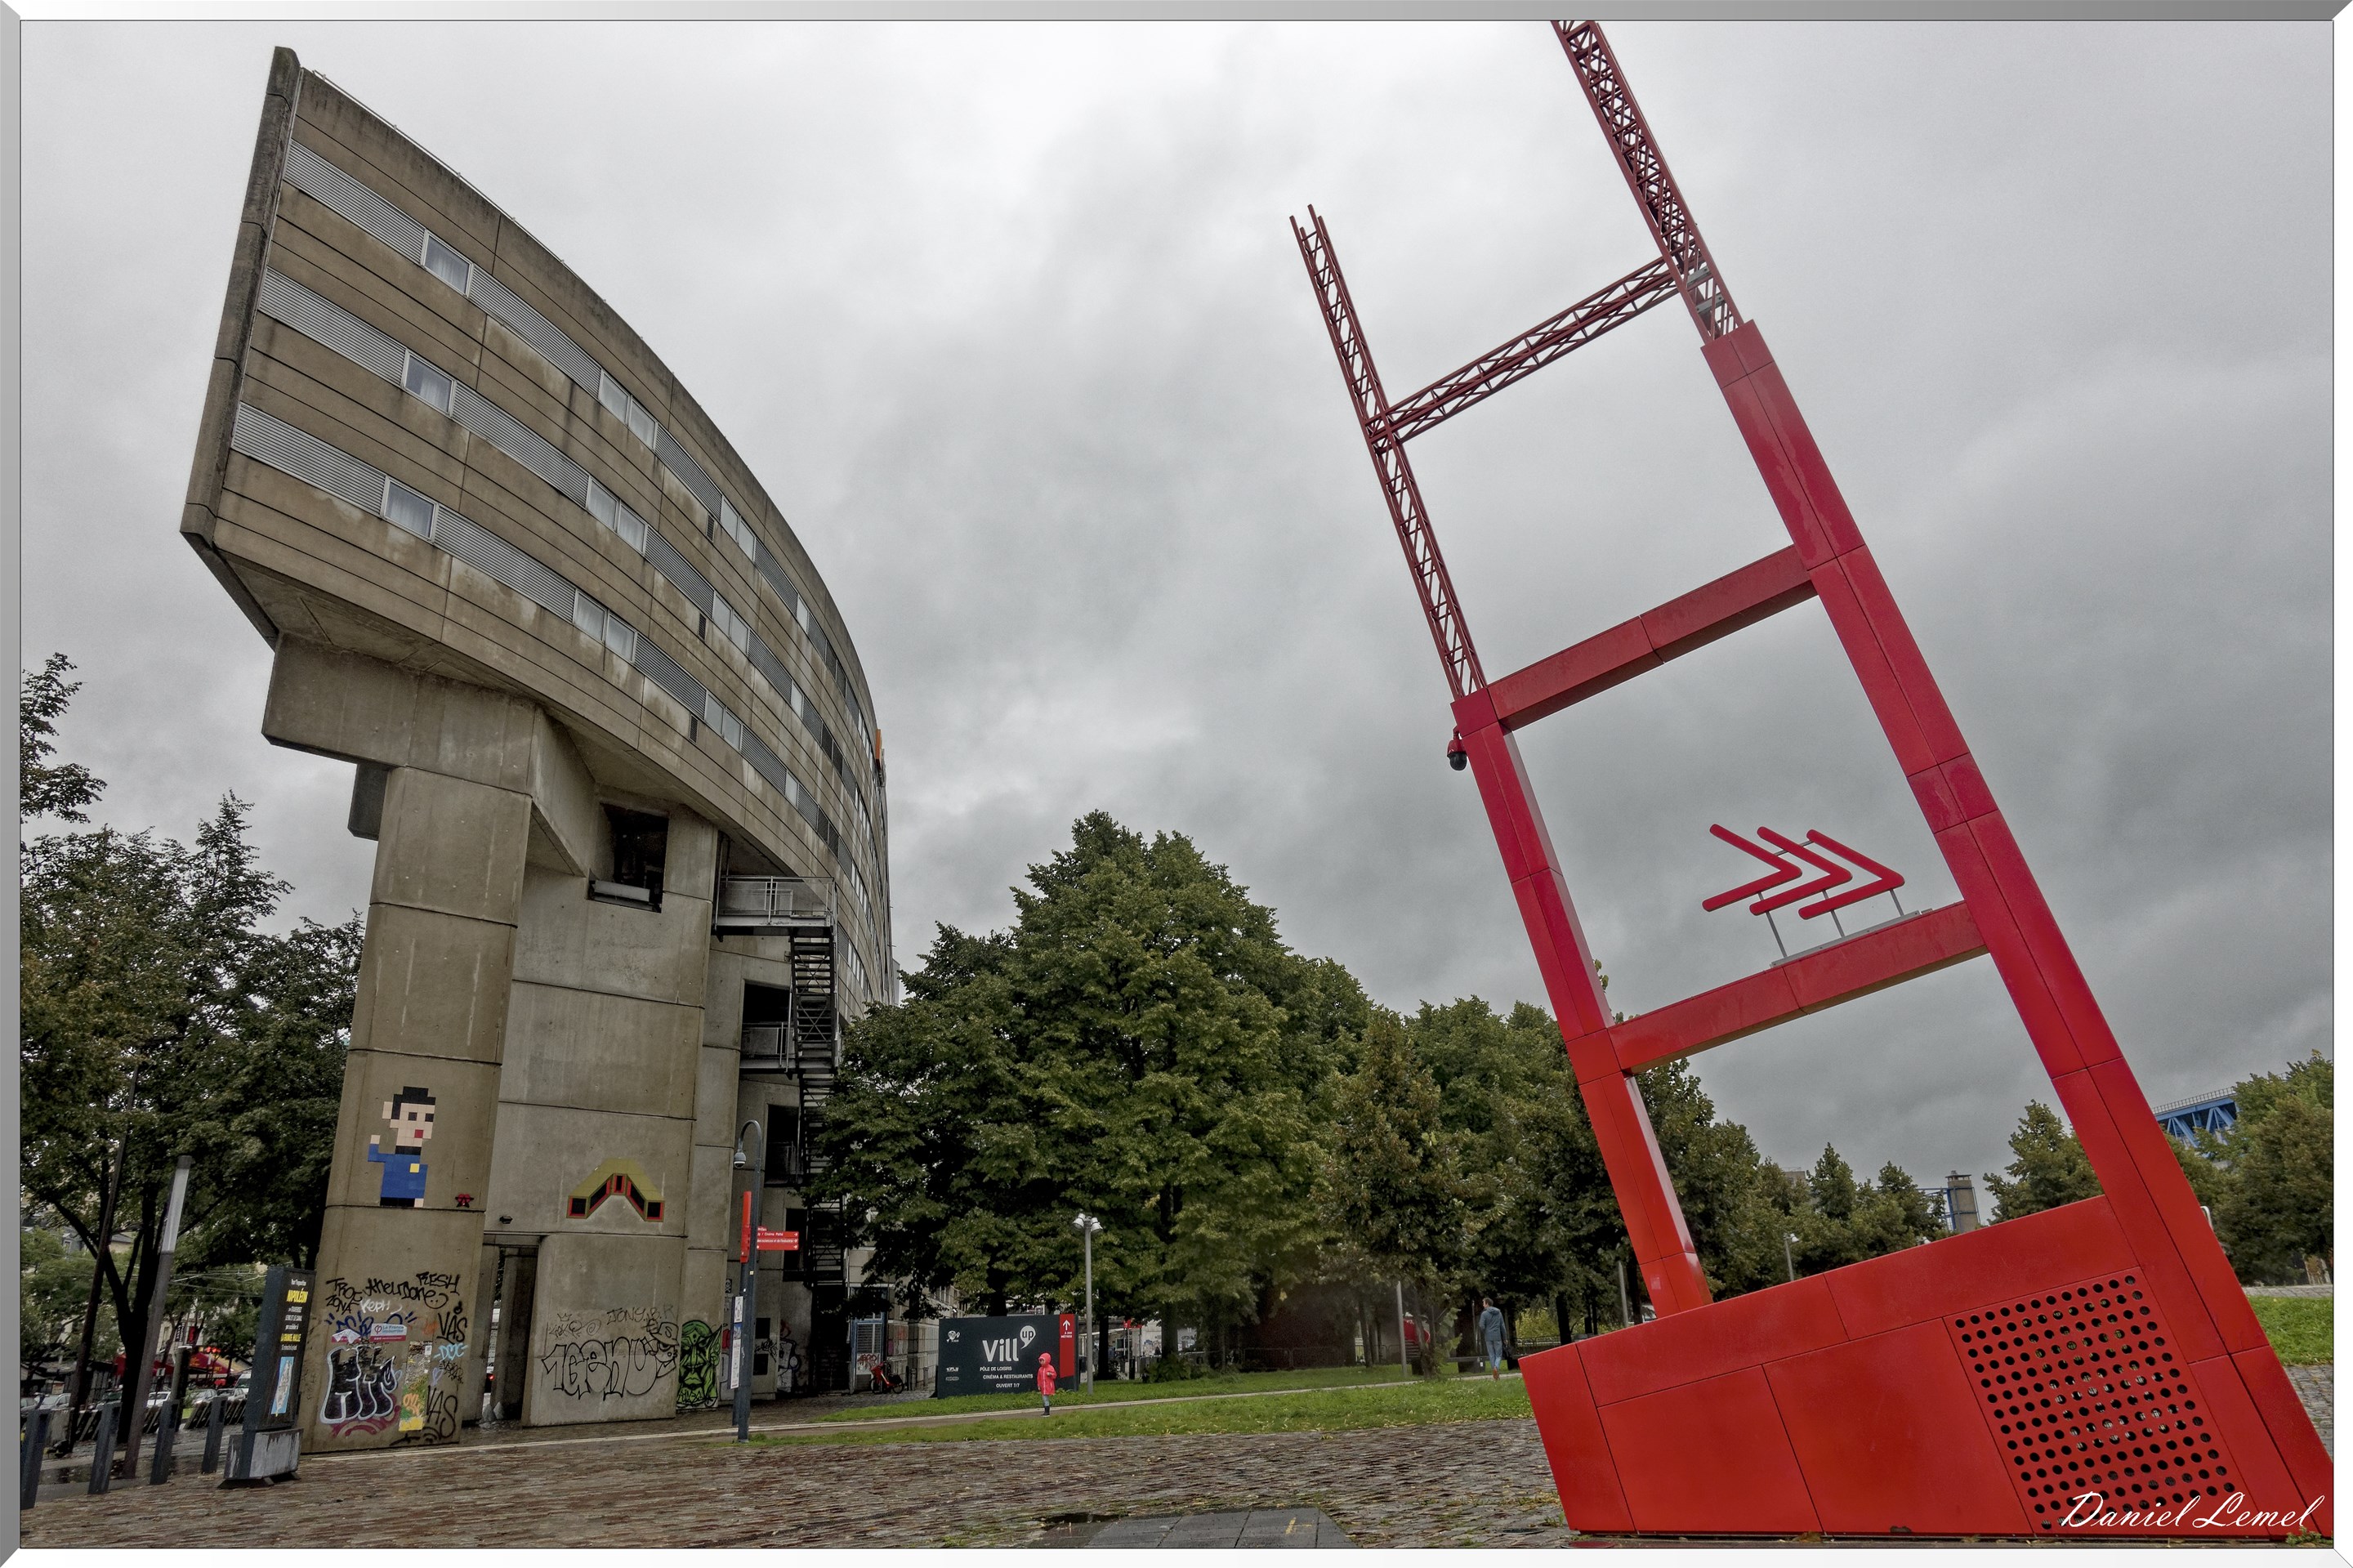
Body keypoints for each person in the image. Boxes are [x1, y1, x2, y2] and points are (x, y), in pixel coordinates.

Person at [1477, 1298, 1508, 1379]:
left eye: (1484, 1303)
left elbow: (1481, 1325)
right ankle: (1496, 1368)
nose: (1483, 1305)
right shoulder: (1499, 1313)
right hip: (1497, 1336)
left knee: (1491, 1355)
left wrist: (1485, 1331)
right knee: (1498, 1355)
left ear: (1487, 1304)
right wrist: (1505, 1338)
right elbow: (1502, 1326)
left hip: (1488, 1337)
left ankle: (1494, 1372)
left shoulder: (1484, 1314)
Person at [1036, 1351, 1056, 1416]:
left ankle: (1047, 1411)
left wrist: (1050, 1374)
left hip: (1048, 1386)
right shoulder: (1040, 1369)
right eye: (1040, 1361)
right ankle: (1046, 1411)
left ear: (1046, 1360)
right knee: (1044, 1398)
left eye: (1043, 1360)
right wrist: (1039, 1385)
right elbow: (1039, 1378)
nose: (1041, 1362)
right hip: (1043, 1387)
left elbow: (1054, 1375)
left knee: (1045, 1398)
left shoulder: (1050, 1368)